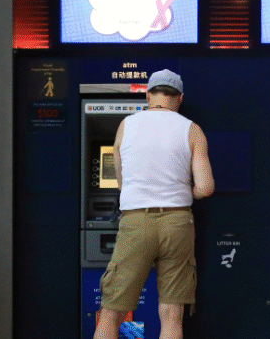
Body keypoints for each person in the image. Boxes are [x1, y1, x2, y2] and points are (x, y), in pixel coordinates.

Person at [93, 69, 215, 339]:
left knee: (112, 311)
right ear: (179, 98)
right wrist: (180, 191)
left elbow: (121, 181)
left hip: (136, 222)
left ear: (148, 96)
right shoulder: (192, 129)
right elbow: (205, 187)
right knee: (172, 315)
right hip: (177, 224)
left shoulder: (127, 125)